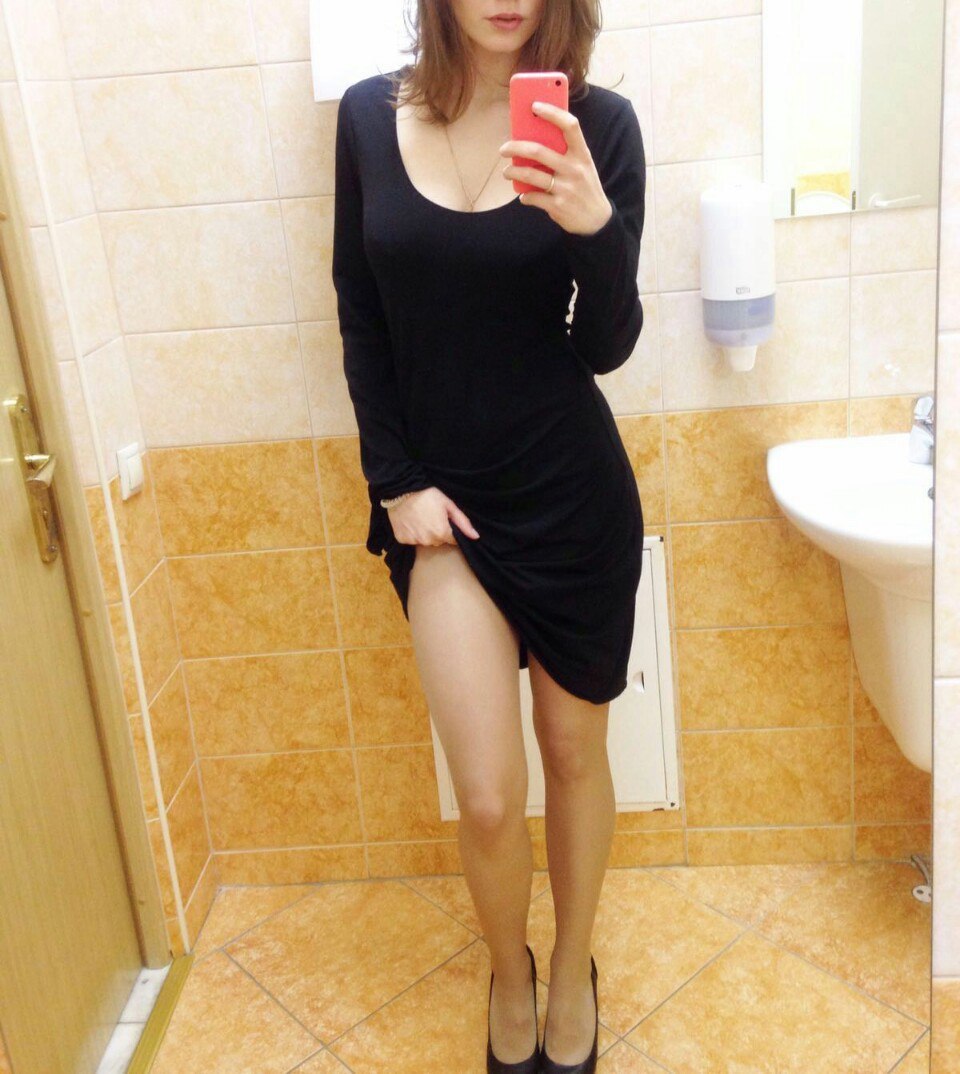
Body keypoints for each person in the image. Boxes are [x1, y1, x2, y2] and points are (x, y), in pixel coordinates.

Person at [331, 2, 646, 1070]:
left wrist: (594, 229)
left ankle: (572, 967)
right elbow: (360, 311)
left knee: (573, 753)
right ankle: (510, 969)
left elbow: (605, 346)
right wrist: (394, 482)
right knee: (486, 794)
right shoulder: (367, 118)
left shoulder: (598, 126)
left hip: (572, 495)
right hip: (443, 512)